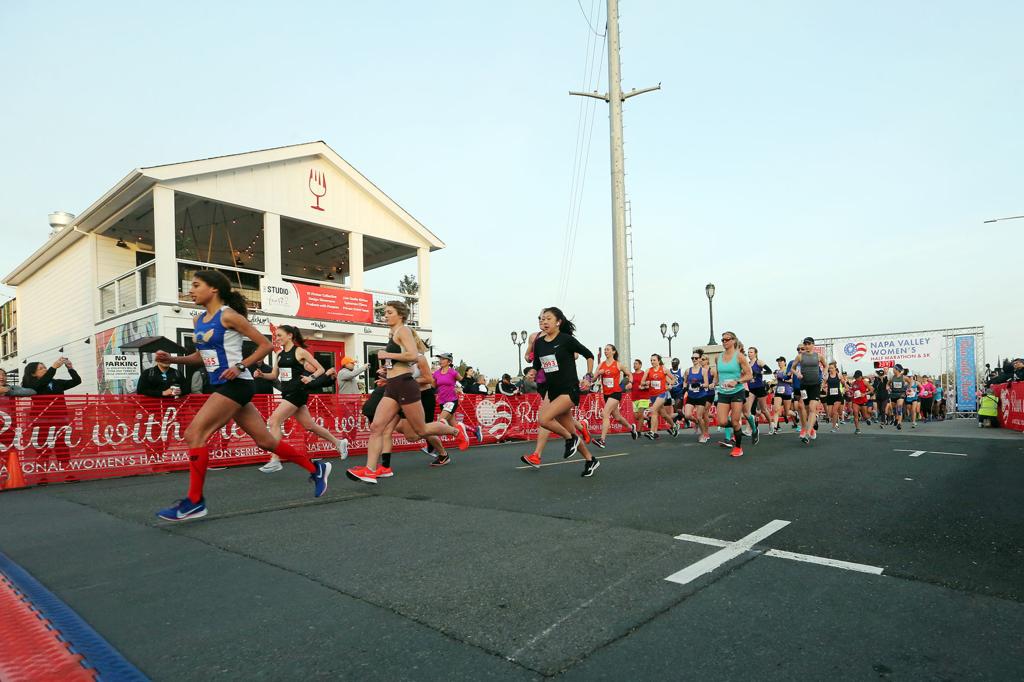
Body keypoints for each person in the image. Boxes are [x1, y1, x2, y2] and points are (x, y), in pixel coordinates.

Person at [154, 270, 330, 521]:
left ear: (214, 289)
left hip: (237, 384)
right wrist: (172, 359)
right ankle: (316, 468)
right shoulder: (198, 320)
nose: (190, 290)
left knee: (194, 434)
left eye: (196, 285)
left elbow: (266, 345)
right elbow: (200, 357)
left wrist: (240, 366)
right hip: (223, 386)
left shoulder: (229, 316)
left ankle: (194, 501)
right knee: (265, 441)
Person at [346, 301, 469, 484]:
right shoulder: (393, 334)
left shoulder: (403, 330)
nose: (385, 316)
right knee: (377, 427)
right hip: (392, 386)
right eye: (385, 313)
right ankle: (370, 470)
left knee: (421, 430)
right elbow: (403, 363)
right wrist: (386, 373)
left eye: (389, 312)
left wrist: (387, 355)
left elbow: (412, 355)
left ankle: (456, 430)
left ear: (401, 315)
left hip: (404, 385)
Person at [255, 325, 348, 473]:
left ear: (290, 335)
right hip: (287, 393)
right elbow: (273, 375)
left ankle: (275, 459)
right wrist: (262, 375)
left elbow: (320, 369)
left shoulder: (300, 352)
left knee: (274, 421)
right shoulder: (279, 355)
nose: (277, 338)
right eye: (276, 336)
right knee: (309, 425)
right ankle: (339, 442)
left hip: (297, 392)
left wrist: (310, 378)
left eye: (279, 335)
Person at [529, 306, 600, 477]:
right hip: (552, 390)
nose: (544, 322)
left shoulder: (566, 340)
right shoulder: (539, 343)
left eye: (548, 319)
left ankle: (570, 439)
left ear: (558, 322)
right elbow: (537, 365)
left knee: (544, 419)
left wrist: (588, 376)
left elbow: (589, 355)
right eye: (542, 319)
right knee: (572, 431)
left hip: (569, 389)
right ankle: (590, 460)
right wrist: (532, 372)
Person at [710, 331, 754, 457]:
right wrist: (714, 382)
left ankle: (738, 448)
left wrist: (737, 381)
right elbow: (718, 374)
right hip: (723, 392)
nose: (724, 342)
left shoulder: (739, 356)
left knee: (735, 421)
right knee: (722, 421)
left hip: (737, 392)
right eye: (722, 340)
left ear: (734, 340)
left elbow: (749, 375)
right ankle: (737, 428)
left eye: (727, 339)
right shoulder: (718, 357)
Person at [594, 343, 636, 448]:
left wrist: (630, 382)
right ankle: (631, 428)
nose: (605, 351)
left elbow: (629, 374)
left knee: (605, 413)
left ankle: (602, 440)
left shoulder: (618, 364)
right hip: (606, 394)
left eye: (608, 349)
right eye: (605, 350)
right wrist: (598, 373)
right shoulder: (601, 365)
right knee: (617, 417)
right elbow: (593, 378)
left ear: (613, 351)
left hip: (616, 393)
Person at [793, 337, 826, 445]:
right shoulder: (800, 356)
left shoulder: (818, 356)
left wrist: (824, 374)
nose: (806, 346)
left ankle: (807, 434)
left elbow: (825, 366)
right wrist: (797, 373)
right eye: (805, 344)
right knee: (807, 409)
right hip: (804, 386)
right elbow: (793, 368)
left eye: (808, 344)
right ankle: (813, 423)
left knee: (812, 408)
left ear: (813, 345)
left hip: (815, 385)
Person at [641, 354, 677, 439]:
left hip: (662, 394)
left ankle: (652, 432)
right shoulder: (648, 370)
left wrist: (670, 385)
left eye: (654, 360)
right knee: (664, 414)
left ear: (658, 361)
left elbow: (673, 379)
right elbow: (642, 382)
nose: (652, 362)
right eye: (651, 360)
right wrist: (646, 383)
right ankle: (674, 426)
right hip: (653, 395)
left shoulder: (664, 369)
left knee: (653, 410)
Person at [682, 350, 711, 443]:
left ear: (699, 359)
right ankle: (696, 422)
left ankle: (703, 434)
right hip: (691, 396)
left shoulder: (704, 371)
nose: (694, 359)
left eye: (696, 358)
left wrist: (699, 385)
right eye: (692, 358)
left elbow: (707, 384)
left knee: (699, 417)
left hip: (701, 396)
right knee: (687, 415)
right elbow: (685, 381)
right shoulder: (688, 370)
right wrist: (685, 387)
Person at [743, 346, 769, 442]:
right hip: (751, 389)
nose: (749, 354)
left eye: (751, 352)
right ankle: (748, 430)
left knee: (764, 410)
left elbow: (769, 371)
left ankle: (771, 424)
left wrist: (759, 372)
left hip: (760, 387)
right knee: (748, 410)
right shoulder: (747, 364)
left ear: (755, 353)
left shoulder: (759, 362)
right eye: (748, 352)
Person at [433, 353, 462, 428]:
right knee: (454, 426)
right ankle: (474, 430)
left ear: (449, 362)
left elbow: (463, 382)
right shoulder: (436, 373)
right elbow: (433, 387)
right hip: (442, 402)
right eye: (440, 359)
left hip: (451, 401)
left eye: (443, 359)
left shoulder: (453, 372)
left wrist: (459, 388)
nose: (440, 361)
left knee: (440, 422)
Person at [770, 356, 793, 434]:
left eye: (781, 361)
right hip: (778, 392)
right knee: (776, 410)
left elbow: (792, 380)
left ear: (785, 362)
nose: (779, 363)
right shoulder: (777, 372)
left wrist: (784, 380)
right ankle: (775, 427)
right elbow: (777, 381)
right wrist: (772, 384)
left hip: (787, 392)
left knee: (786, 412)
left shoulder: (788, 370)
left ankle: (795, 414)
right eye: (778, 362)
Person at [824, 363, 844, 431]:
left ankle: (834, 427)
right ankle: (836, 421)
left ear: (835, 368)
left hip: (838, 396)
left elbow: (844, 384)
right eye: (829, 368)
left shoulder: (839, 375)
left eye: (832, 368)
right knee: (830, 414)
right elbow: (822, 385)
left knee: (834, 411)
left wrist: (845, 387)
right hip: (830, 396)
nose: (830, 369)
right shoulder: (827, 376)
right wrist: (824, 389)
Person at [889, 366, 908, 430]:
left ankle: (899, 423)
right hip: (893, 394)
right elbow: (888, 383)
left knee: (899, 408)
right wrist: (887, 387)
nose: (893, 370)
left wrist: (908, 389)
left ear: (897, 370)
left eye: (894, 369)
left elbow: (910, 381)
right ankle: (896, 418)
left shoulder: (903, 377)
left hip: (901, 394)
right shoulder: (892, 377)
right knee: (893, 409)